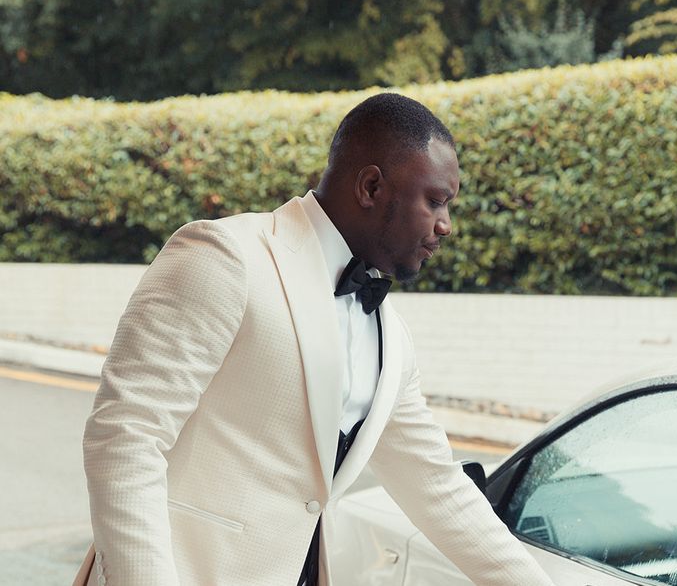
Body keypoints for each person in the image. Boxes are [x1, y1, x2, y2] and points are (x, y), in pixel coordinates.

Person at [78, 93, 555, 586]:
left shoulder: (390, 336)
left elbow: (435, 485)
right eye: (435, 200)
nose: (445, 226)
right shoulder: (224, 257)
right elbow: (125, 439)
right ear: (371, 186)